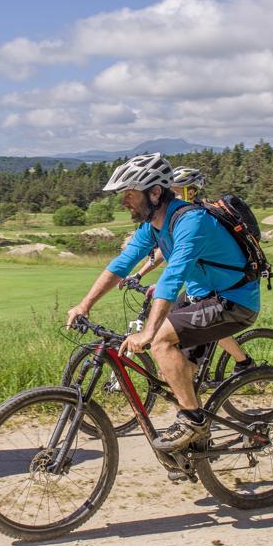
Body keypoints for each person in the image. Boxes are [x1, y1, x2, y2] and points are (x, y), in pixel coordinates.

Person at [67, 153, 260, 454]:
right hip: (203, 297)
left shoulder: (192, 221)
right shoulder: (153, 225)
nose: (124, 202)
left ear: (155, 192)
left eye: (130, 194)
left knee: (160, 341)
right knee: (175, 368)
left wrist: (148, 332)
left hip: (233, 300)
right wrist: (84, 304)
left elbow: (172, 278)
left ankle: (194, 421)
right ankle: (199, 448)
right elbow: (121, 264)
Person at [124, 165, 255, 372]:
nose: (170, 196)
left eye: (175, 191)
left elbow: (178, 263)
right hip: (198, 287)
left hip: (218, 291)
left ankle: (243, 362)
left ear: (190, 192)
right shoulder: (171, 217)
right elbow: (164, 251)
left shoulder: (196, 218)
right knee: (165, 321)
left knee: (197, 332)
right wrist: (139, 274)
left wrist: (162, 283)